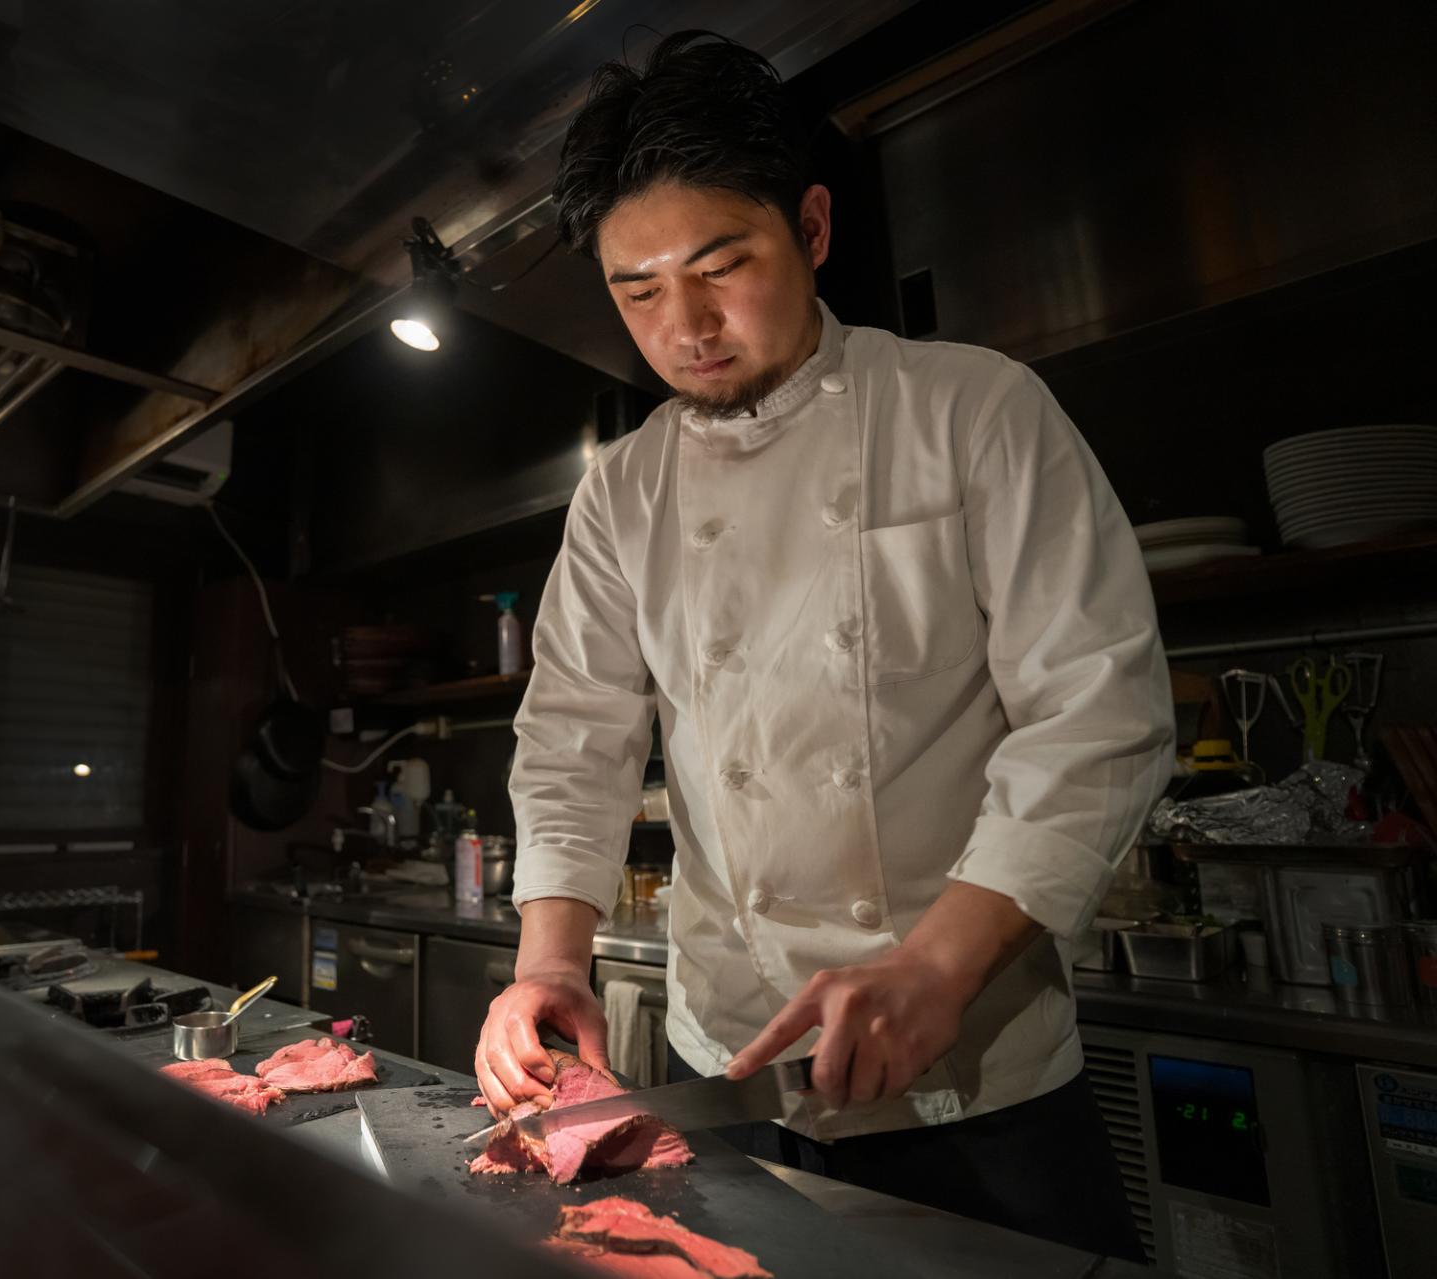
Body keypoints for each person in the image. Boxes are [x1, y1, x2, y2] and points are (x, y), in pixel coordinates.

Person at [473, 30, 1172, 1261]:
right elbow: (575, 734)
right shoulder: (621, 492)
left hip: (974, 1074)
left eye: (720, 264)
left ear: (812, 228)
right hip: (730, 1060)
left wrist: (940, 966)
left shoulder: (974, 410)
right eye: (636, 291)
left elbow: (1098, 715)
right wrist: (551, 960)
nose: (684, 324)